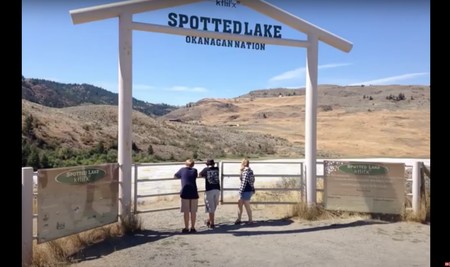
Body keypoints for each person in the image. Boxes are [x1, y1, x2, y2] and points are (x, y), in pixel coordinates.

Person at [174, 159, 199, 233]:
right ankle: (193, 228)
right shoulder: (195, 171)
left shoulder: (182, 170)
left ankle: (186, 227)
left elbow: (175, 176)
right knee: (193, 212)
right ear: (193, 165)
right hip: (194, 192)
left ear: (185, 164)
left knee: (186, 212)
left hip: (185, 192)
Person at [198, 159, 221, 229]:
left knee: (211, 206)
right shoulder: (217, 169)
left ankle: (212, 223)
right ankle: (210, 220)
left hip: (209, 189)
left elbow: (200, 174)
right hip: (217, 188)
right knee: (214, 205)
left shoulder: (205, 170)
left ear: (207, 164)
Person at [235, 158, 255, 225]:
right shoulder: (250, 171)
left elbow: (244, 182)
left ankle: (249, 220)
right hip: (248, 190)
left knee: (245, 205)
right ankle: (239, 219)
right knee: (241, 205)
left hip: (245, 190)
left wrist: (240, 191)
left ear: (244, 164)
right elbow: (252, 180)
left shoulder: (246, 172)